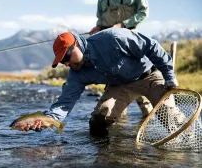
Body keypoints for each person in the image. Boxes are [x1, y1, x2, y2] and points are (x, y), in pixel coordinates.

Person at [24, 29, 178, 137]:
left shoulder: (113, 38)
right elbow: (65, 103)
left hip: (149, 76)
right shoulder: (76, 74)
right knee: (98, 122)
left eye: (66, 57)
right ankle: (106, 160)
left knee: (171, 119)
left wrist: (169, 76)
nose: (65, 64)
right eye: (61, 61)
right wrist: (47, 121)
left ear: (76, 45)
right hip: (120, 86)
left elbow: (151, 46)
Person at [89, 0, 151, 116]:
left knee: (138, 76)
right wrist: (98, 28)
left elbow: (143, 12)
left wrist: (123, 25)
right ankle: (118, 118)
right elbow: (100, 18)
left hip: (131, 40)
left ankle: (147, 116)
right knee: (115, 79)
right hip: (110, 44)